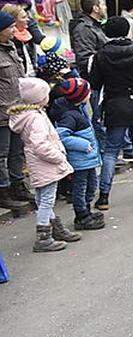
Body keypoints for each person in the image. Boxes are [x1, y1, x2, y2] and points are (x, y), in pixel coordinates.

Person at [89, 16, 133, 209]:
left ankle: (103, 196)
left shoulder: (101, 55)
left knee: (111, 151)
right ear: (127, 31)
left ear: (106, 33)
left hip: (116, 105)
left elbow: (95, 84)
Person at [8, 78, 80, 252]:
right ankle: (44, 237)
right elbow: (41, 145)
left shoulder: (30, 115)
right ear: (39, 98)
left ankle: (55, 228)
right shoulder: (35, 119)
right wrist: (59, 157)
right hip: (45, 163)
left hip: (38, 162)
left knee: (43, 198)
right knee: (47, 199)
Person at [49, 77, 104, 230]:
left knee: (92, 185)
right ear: (80, 97)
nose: (90, 95)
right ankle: (81, 215)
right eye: (87, 93)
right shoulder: (70, 115)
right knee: (80, 188)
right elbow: (61, 136)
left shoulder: (78, 109)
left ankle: (86, 210)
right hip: (80, 160)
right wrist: (83, 144)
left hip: (88, 159)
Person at [0, 10, 33, 211]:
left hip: (17, 110)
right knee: (2, 153)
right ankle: (3, 190)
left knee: (17, 151)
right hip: (2, 113)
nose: (15, 30)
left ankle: (18, 185)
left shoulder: (11, 47)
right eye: (10, 27)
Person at [69, 0, 108, 81]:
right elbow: (85, 59)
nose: (105, 7)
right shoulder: (84, 28)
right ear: (96, 8)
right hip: (94, 80)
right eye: (103, 5)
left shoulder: (96, 25)